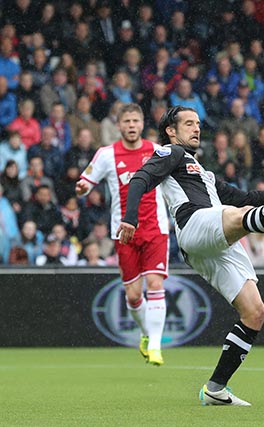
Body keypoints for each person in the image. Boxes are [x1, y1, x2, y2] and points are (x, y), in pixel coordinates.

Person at [116, 106, 264, 406]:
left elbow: (251, 199)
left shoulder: (204, 172)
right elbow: (140, 179)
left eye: (198, 123)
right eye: (188, 124)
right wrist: (130, 217)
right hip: (194, 225)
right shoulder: (171, 154)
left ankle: (215, 388)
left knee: (255, 313)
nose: (196, 128)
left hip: (216, 242)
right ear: (171, 131)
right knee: (236, 215)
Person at [76, 103, 170, 366]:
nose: (131, 125)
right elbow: (87, 180)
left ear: (142, 124)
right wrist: (83, 187)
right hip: (124, 232)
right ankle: (145, 333)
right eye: (126, 121)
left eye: (135, 121)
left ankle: (155, 345)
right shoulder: (107, 154)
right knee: (132, 295)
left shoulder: (156, 151)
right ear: (118, 125)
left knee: (155, 284)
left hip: (155, 228)